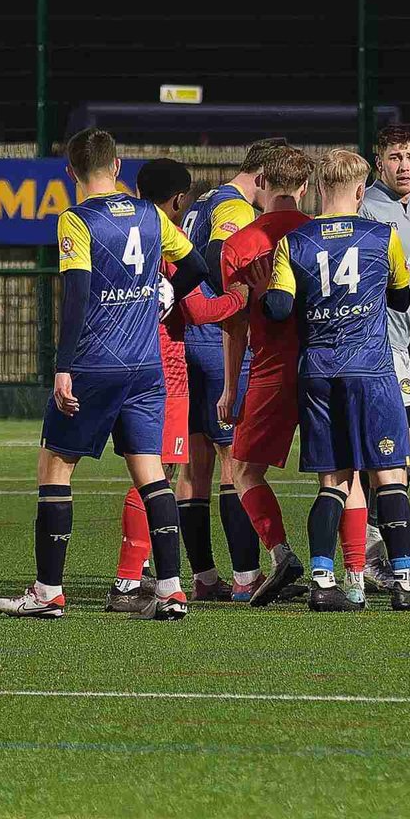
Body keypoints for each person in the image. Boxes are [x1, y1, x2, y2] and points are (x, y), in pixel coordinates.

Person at [0, 129, 208, 621]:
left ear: (70, 171)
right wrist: (169, 293)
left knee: (55, 469)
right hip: (145, 367)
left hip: (94, 364)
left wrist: (63, 367)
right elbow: (197, 265)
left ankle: (47, 593)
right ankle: (171, 590)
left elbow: (76, 294)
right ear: (117, 166)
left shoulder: (77, 220)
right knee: (151, 473)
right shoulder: (151, 214)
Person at [253, 148, 410, 612]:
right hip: (371, 370)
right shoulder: (383, 236)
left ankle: (322, 582)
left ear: (319, 188)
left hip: (318, 372)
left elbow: (278, 308)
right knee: (389, 476)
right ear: (360, 190)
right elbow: (401, 297)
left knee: (333, 481)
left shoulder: (295, 241)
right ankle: (405, 585)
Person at [213, 145, 374, 604]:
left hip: (272, 370)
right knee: (343, 476)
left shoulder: (238, 246)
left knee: (244, 469)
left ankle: (280, 552)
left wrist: (230, 387)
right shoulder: (319, 234)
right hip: (328, 365)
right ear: (306, 187)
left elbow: (235, 325)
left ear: (261, 182)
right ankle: (354, 577)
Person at [107, 159, 250, 613]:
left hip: (124, 360)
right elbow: (199, 310)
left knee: (151, 471)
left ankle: (139, 574)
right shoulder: (169, 240)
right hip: (164, 371)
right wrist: (241, 298)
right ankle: (130, 579)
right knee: (158, 475)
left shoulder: (125, 233)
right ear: (179, 200)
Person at [176, 139, 286, 597]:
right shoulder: (235, 207)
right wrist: (239, 293)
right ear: (261, 178)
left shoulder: (202, 201)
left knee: (193, 465)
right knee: (234, 461)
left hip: (187, 338)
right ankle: (246, 576)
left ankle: (203, 577)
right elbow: (221, 253)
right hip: (215, 341)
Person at [357, 124, 410, 589]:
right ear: (379, 162)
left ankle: (367, 546)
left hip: (399, 346)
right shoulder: (366, 208)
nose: (404, 166)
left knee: (404, 450)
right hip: (371, 345)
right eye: (395, 157)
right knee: (400, 447)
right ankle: (367, 551)